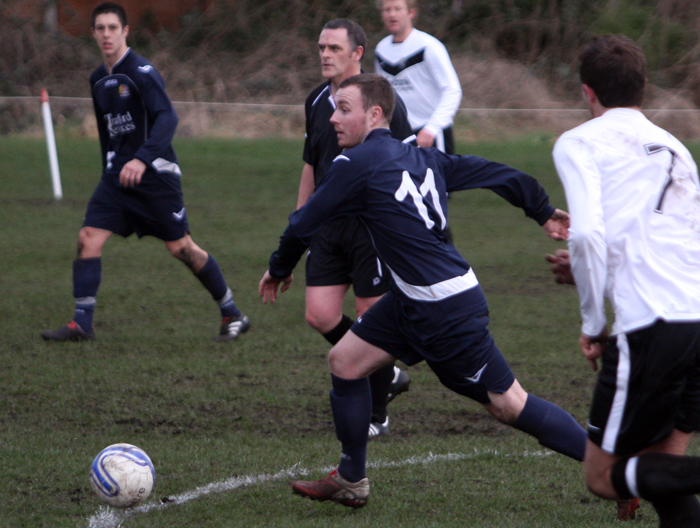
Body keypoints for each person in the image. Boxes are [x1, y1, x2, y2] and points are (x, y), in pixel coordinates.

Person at [259, 74, 590, 509]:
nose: (333, 118)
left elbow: (304, 223)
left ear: (374, 114)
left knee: (509, 405)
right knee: (344, 361)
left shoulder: (354, 163)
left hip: (444, 309)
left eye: (343, 109)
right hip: (414, 299)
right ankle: (351, 479)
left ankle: (614, 468)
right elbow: (496, 173)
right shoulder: (423, 157)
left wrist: (279, 267)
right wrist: (541, 209)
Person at [552, 34, 700, 526]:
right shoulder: (677, 148)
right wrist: (592, 274)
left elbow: (587, 236)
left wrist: (594, 324)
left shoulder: (578, 142)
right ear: (643, 86)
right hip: (694, 317)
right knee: (663, 478)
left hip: (652, 324)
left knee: (602, 476)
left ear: (587, 91)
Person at [41, 2, 248, 343]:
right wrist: (108, 167)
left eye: (113, 27)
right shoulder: (97, 79)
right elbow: (107, 131)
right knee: (88, 238)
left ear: (125, 31)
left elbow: (168, 118)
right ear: (93, 33)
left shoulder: (141, 71)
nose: (106, 34)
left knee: (181, 248)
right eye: (100, 28)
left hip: (155, 176)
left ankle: (232, 311)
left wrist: (141, 159)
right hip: (117, 177)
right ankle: (82, 323)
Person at [298, 18, 414, 438]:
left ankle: (377, 415)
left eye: (334, 48)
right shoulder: (316, 101)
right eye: (321, 47)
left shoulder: (382, 102)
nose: (325, 54)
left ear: (357, 53)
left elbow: (406, 165)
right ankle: (388, 373)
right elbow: (310, 164)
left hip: (371, 228)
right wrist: (301, 222)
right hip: (329, 227)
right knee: (319, 314)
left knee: (371, 318)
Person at [374, 0, 462, 154]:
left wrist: (432, 128)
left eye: (398, 9)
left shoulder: (428, 46)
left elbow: (452, 90)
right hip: (398, 136)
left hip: (431, 136)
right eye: (387, 9)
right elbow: (381, 95)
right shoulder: (381, 50)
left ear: (411, 13)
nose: (392, 14)